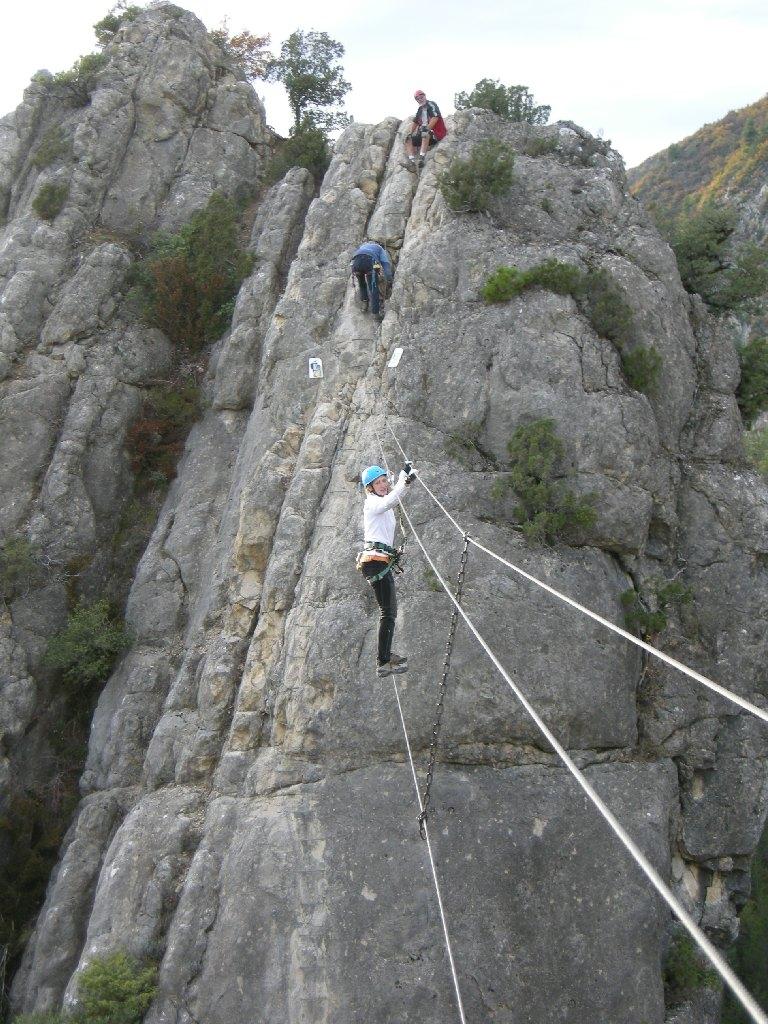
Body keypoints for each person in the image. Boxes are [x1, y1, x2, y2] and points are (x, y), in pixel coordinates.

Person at [357, 463, 416, 676]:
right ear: (370, 488)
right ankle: (383, 661)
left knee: (389, 612)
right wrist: (403, 480)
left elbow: (393, 499)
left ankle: (384, 658)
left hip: (379, 562)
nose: (382, 485)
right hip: (375, 562)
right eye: (377, 483)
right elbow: (390, 500)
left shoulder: (382, 501)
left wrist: (402, 481)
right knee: (388, 612)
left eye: (383, 481)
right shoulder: (371, 503)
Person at [405, 90, 446, 169]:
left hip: (437, 133)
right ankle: (412, 162)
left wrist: (427, 129)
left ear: (425, 96)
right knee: (408, 139)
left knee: (425, 133)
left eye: (421, 97)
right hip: (427, 135)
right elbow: (415, 122)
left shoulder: (431, 104)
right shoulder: (420, 110)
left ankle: (421, 159)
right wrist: (410, 133)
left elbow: (435, 117)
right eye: (418, 99)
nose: (420, 99)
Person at [350, 240, 394, 312]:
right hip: (369, 261)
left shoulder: (363, 246)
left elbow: (356, 255)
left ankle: (365, 304)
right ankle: (375, 313)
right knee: (373, 288)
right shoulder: (380, 249)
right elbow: (386, 267)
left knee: (362, 284)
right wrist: (390, 280)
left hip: (356, 262)